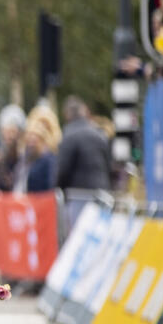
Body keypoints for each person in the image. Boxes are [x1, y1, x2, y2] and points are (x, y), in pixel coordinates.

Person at [57, 95, 112, 227]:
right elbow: (108, 164)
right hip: (102, 195)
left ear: (67, 115)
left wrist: (58, 189)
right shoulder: (99, 134)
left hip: (78, 199)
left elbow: (62, 170)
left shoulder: (69, 135)